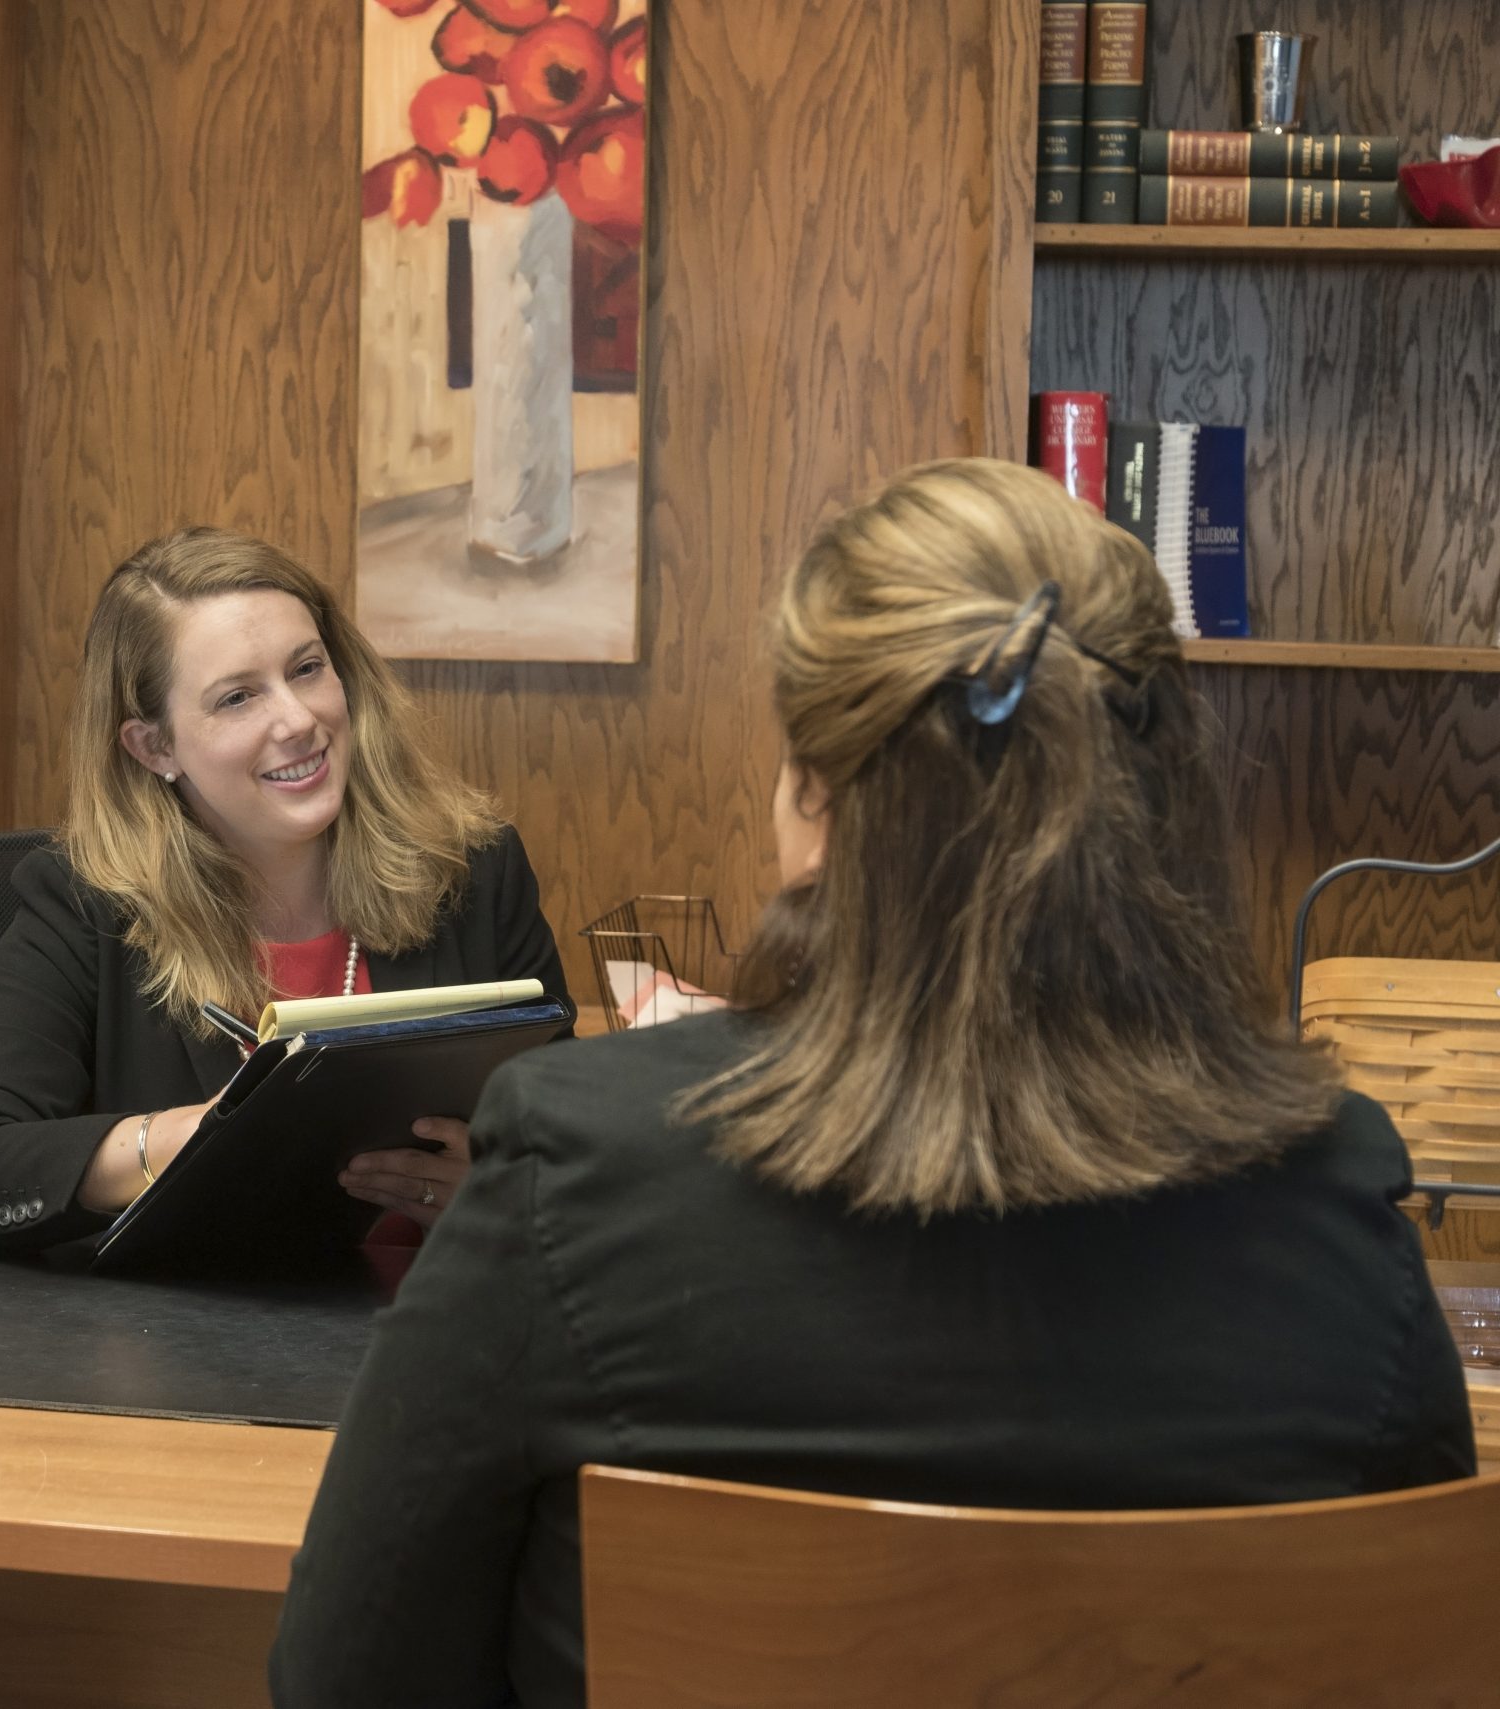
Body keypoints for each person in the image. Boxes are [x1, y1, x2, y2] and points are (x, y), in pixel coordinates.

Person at [269, 459, 1477, 1709]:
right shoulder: (1337, 1193)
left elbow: (345, 1677)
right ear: (1163, 802)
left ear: (815, 803)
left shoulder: (578, 1163)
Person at [0, 527, 570, 1254]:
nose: (298, 719)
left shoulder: (473, 873)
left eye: (307, 668)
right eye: (238, 697)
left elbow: (570, 1141)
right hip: (179, 1346)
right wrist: (181, 1140)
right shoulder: (87, 906)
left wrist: (503, 1190)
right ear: (154, 747)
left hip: (424, 1331)